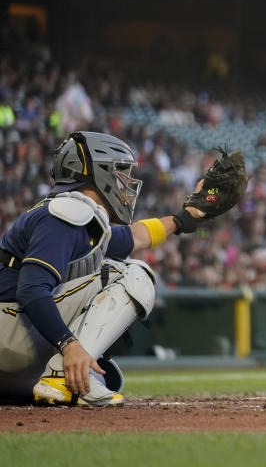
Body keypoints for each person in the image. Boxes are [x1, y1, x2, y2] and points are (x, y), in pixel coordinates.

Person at [0, 131, 220, 406]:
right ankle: (58, 376)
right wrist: (70, 345)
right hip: (9, 332)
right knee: (131, 274)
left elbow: (134, 237)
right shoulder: (67, 214)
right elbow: (32, 289)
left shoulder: (76, 216)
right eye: (119, 172)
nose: (126, 182)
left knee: (105, 375)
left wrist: (186, 218)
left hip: (12, 340)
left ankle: (53, 379)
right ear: (98, 173)